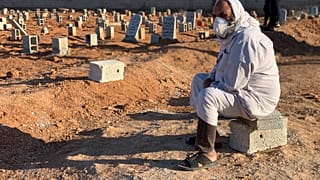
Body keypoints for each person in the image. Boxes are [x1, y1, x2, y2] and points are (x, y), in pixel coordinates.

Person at [178, 0, 281, 171]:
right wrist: (210, 79)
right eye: (215, 16)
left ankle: (207, 153)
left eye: (223, 16)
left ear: (235, 14)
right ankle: (213, 137)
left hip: (256, 100)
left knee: (208, 96)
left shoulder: (247, 39)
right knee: (199, 80)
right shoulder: (233, 35)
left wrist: (212, 84)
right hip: (243, 90)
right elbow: (220, 65)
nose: (218, 21)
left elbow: (233, 83)